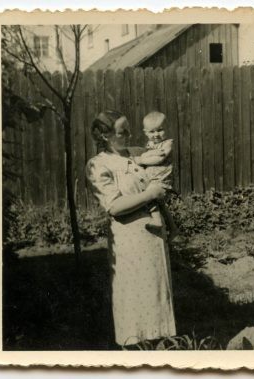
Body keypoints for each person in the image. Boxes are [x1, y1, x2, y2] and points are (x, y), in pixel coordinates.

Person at [86, 110, 176, 348]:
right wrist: (150, 194)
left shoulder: (137, 153)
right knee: (135, 295)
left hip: (154, 235)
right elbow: (114, 206)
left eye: (128, 129)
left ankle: (160, 348)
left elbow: (161, 165)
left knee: (157, 292)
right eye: (122, 131)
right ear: (105, 136)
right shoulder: (99, 165)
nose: (129, 134)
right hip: (129, 239)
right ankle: (136, 352)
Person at [134, 111, 179, 240]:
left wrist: (141, 160)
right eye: (152, 132)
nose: (156, 135)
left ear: (167, 129)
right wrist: (145, 156)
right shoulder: (149, 146)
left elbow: (158, 160)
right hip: (151, 179)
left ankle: (156, 220)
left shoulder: (167, 144)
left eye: (160, 130)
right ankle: (173, 229)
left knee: (149, 196)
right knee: (161, 205)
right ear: (145, 132)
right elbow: (148, 156)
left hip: (161, 179)